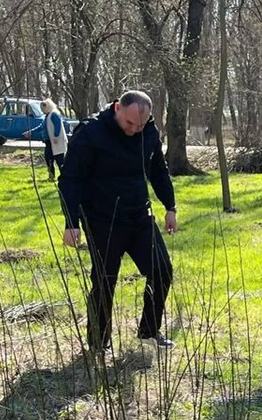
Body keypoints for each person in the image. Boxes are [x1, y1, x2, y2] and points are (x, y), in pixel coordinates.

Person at [59, 90, 177, 353]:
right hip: (103, 220)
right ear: (117, 109)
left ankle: (149, 330)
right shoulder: (91, 135)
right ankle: (99, 343)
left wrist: (170, 206)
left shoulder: (148, 133)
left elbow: (159, 171)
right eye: (129, 123)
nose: (134, 130)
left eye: (140, 124)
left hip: (139, 216)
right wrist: (71, 221)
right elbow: (70, 180)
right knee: (104, 280)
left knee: (162, 270)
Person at [41, 98, 69, 181]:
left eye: (43, 108)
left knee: (59, 159)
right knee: (48, 158)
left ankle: (64, 176)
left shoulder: (54, 114)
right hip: (49, 141)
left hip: (56, 141)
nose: (42, 110)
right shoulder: (47, 116)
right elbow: (42, 127)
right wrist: (30, 132)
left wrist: (56, 136)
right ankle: (51, 175)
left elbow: (58, 126)